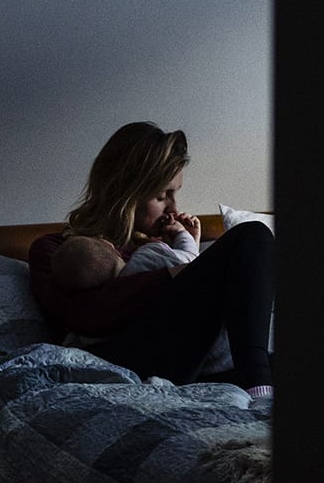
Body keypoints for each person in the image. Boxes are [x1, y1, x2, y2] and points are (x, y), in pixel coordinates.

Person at [28, 121, 273, 397]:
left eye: (174, 194)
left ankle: (257, 378)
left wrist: (188, 252)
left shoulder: (162, 246)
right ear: (125, 192)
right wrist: (173, 273)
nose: (174, 207)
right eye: (161, 196)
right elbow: (88, 314)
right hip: (118, 359)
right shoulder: (55, 250)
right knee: (251, 235)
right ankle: (257, 385)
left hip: (187, 361)